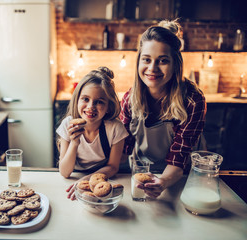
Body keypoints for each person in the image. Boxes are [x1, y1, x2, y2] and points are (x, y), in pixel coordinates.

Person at [120, 19, 207, 199]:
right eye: (146, 59)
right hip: (141, 175)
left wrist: (163, 181)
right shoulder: (129, 99)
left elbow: (179, 157)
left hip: (183, 179)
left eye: (163, 60)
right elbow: (122, 149)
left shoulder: (192, 100)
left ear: (175, 64)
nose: (152, 68)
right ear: (139, 61)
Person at [56, 66, 128, 200]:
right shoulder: (67, 124)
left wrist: (87, 180)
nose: (91, 107)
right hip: (73, 177)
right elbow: (65, 172)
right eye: (85, 99)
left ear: (108, 107)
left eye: (99, 102)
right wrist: (74, 142)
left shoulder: (115, 128)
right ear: (77, 99)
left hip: (102, 178)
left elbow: (112, 167)